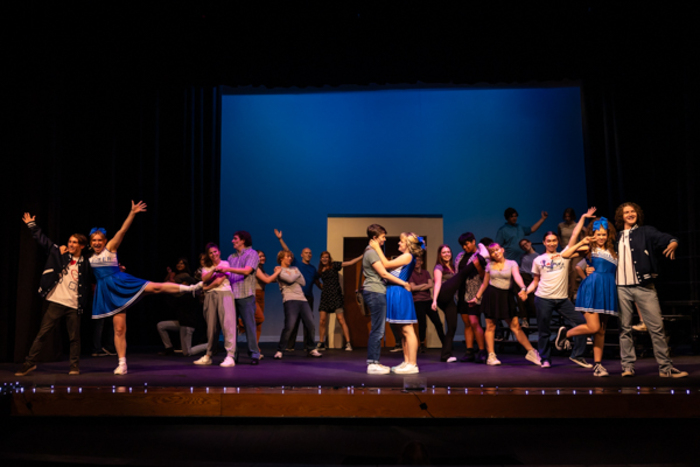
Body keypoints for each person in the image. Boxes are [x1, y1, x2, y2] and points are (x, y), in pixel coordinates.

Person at [88, 201, 202, 375]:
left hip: (121, 282)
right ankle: (122, 363)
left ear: (104, 241)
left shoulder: (110, 248)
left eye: (99, 240)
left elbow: (122, 231)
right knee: (119, 329)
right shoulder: (88, 259)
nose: (97, 243)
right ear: (90, 243)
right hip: (109, 292)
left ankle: (191, 289)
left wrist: (132, 213)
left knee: (156, 288)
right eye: (94, 240)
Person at [614, 202, 687, 378]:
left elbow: (666, 238)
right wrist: (589, 267)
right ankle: (628, 367)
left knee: (656, 327)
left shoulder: (645, 231)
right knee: (625, 329)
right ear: (621, 216)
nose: (630, 214)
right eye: (626, 212)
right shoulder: (615, 237)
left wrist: (674, 242)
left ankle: (665, 368)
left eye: (633, 211)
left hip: (644, 286)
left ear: (637, 214)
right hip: (621, 288)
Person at [15, 214, 92, 376]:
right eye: (70, 241)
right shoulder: (59, 253)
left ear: (82, 246)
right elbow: (42, 240)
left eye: (74, 242)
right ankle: (29, 363)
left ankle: (74, 367)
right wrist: (31, 225)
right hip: (56, 302)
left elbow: (94, 278)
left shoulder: (85, 263)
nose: (70, 244)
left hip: (74, 305)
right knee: (42, 334)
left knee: (74, 338)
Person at [522, 210, 594, 369]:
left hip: (562, 300)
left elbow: (575, 233)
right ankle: (545, 358)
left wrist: (582, 217)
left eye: (554, 240)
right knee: (544, 330)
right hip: (543, 299)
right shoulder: (538, 260)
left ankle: (578, 355)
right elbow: (535, 281)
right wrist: (525, 291)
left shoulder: (565, 255)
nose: (552, 243)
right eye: (549, 241)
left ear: (558, 241)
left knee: (581, 322)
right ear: (544, 242)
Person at [558, 215, 618, 376]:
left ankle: (598, 365)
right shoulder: (589, 248)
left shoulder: (613, 251)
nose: (601, 237)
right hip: (592, 288)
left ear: (608, 235)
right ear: (593, 234)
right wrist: (582, 242)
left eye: (603, 234)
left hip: (607, 290)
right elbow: (565, 255)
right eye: (598, 234)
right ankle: (566, 334)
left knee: (601, 331)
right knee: (594, 327)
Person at [469, 243, 540, 367]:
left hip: (506, 296)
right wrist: (477, 297)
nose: (495, 253)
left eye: (497, 250)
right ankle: (491, 355)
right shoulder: (489, 265)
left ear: (502, 250)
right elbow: (484, 284)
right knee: (490, 326)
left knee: (515, 326)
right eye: (492, 252)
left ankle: (531, 352)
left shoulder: (512, 263)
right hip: (492, 296)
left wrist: (523, 288)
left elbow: (517, 276)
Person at [362, 224, 413, 375]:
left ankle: (375, 362)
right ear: (374, 238)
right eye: (383, 237)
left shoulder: (372, 251)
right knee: (378, 330)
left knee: (379, 329)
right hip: (375, 292)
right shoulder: (371, 252)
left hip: (377, 291)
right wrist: (403, 282)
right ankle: (372, 363)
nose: (385, 239)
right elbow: (384, 273)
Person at [369, 232, 424, 374]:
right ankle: (406, 361)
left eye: (401, 241)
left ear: (408, 244)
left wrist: (377, 248)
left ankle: (413, 364)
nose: (399, 243)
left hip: (400, 293)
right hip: (395, 292)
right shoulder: (404, 256)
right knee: (401, 331)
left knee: (408, 330)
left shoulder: (407, 256)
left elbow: (386, 265)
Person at [262, 250, 322, 359]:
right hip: (290, 299)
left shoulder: (295, 269)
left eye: (291, 257)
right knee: (290, 326)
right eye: (287, 256)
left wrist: (296, 273)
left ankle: (311, 348)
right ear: (281, 258)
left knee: (311, 324)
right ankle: (280, 350)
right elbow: (289, 279)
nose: (290, 258)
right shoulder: (278, 270)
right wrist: (297, 275)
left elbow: (303, 282)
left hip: (302, 299)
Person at [215, 231, 262, 364]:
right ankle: (232, 354)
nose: (232, 241)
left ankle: (254, 353)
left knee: (249, 325)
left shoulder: (252, 254)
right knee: (231, 327)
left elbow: (247, 271)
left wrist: (227, 270)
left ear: (243, 240)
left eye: (235, 239)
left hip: (245, 295)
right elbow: (227, 276)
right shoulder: (231, 257)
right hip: (231, 296)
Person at [274, 229, 321, 350]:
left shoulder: (312, 268)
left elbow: (314, 281)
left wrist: (325, 289)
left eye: (310, 253)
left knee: (309, 323)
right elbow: (286, 251)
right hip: (292, 298)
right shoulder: (296, 266)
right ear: (301, 255)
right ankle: (289, 346)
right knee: (292, 323)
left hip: (307, 297)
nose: (309, 254)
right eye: (306, 253)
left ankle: (308, 347)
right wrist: (280, 239)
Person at [193, 244, 237, 366]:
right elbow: (204, 278)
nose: (213, 254)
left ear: (219, 252)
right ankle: (208, 355)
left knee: (228, 324)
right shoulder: (207, 267)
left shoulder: (225, 263)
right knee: (211, 327)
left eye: (215, 252)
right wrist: (213, 270)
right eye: (211, 253)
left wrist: (206, 288)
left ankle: (230, 355)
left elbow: (218, 281)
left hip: (224, 294)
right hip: (210, 297)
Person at [156, 258, 208, 357]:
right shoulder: (181, 294)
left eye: (183, 283)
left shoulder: (189, 296)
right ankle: (169, 348)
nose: (181, 284)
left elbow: (175, 296)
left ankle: (210, 345)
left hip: (187, 324)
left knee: (187, 352)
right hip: (181, 322)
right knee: (161, 325)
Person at [316, 251, 363, 351]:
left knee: (341, 319)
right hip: (325, 297)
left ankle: (348, 343)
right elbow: (316, 280)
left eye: (327, 257)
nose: (325, 259)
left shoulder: (334, 265)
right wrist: (322, 287)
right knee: (322, 320)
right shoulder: (320, 270)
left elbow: (350, 263)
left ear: (329, 259)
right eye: (323, 257)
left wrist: (362, 255)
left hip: (336, 296)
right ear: (321, 259)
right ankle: (321, 343)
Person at [431, 244, 461, 362]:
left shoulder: (454, 267)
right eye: (444, 252)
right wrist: (434, 300)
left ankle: (446, 355)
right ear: (440, 255)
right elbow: (437, 284)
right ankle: (446, 354)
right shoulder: (439, 267)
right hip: (442, 295)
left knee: (452, 326)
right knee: (460, 276)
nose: (447, 254)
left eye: (448, 252)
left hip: (450, 298)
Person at [409, 254, 444, 353]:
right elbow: (412, 288)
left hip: (428, 300)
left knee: (437, 322)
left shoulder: (426, 272)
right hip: (417, 301)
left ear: (422, 262)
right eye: (415, 261)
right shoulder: (411, 273)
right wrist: (425, 285)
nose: (417, 262)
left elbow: (431, 285)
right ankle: (422, 344)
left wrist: (419, 286)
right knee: (422, 323)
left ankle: (445, 343)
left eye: (419, 260)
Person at [517, 238, 539, 327]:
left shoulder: (537, 256)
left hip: (531, 278)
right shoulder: (523, 256)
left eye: (525, 244)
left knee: (532, 301)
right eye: (522, 246)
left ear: (530, 242)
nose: (525, 246)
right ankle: (524, 320)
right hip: (522, 277)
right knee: (521, 297)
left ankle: (540, 320)